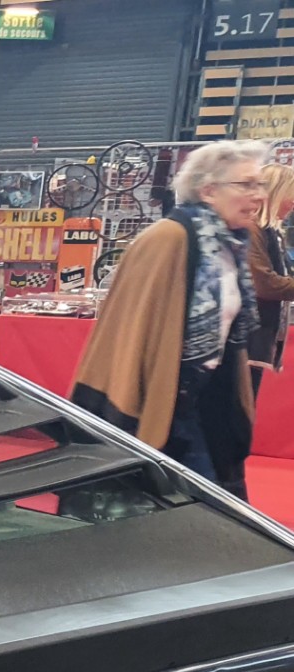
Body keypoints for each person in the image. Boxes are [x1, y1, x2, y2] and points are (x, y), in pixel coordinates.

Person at [71, 140, 266, 498]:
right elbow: (129, 333)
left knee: (218, 505)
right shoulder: (167, 238)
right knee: (204, 507)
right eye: (246, 185)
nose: (258, 195)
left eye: (260, 184)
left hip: (210, 401)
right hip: (162, 403)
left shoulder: (231, 246)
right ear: (208, 190)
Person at [246, 162, 294, 394]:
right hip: (246, 333)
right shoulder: (254, 230)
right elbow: (265, 284)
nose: (293, 202)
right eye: (290, 195)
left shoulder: (271, 232)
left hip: (258, 329)